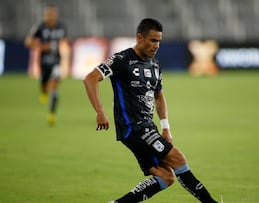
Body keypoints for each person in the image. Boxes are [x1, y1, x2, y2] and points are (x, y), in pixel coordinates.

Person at [83, 18, 218, 203]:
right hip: (133, 128)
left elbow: (159, 95)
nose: (157, 46)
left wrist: (165, 127)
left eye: (159, 41)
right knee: (178, 159)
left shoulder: (154, 65)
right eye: (153, 40)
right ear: (140, 37)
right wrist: (99, 111)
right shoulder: (121, 60)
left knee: (166, 177)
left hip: (149, 128)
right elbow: (90, 78)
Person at [25, 4, 68, 125]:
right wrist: (42, 47)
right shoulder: (40, 27)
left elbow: (64, 41)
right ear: (45, 15)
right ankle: (43, 91)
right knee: (44, 84)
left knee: (54, 86)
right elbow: (28, 42)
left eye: (53, 13)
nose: (51, 16)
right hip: (44, 62)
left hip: (56, 62)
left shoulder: (61, 27)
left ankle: (52, 114)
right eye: (49, 14)